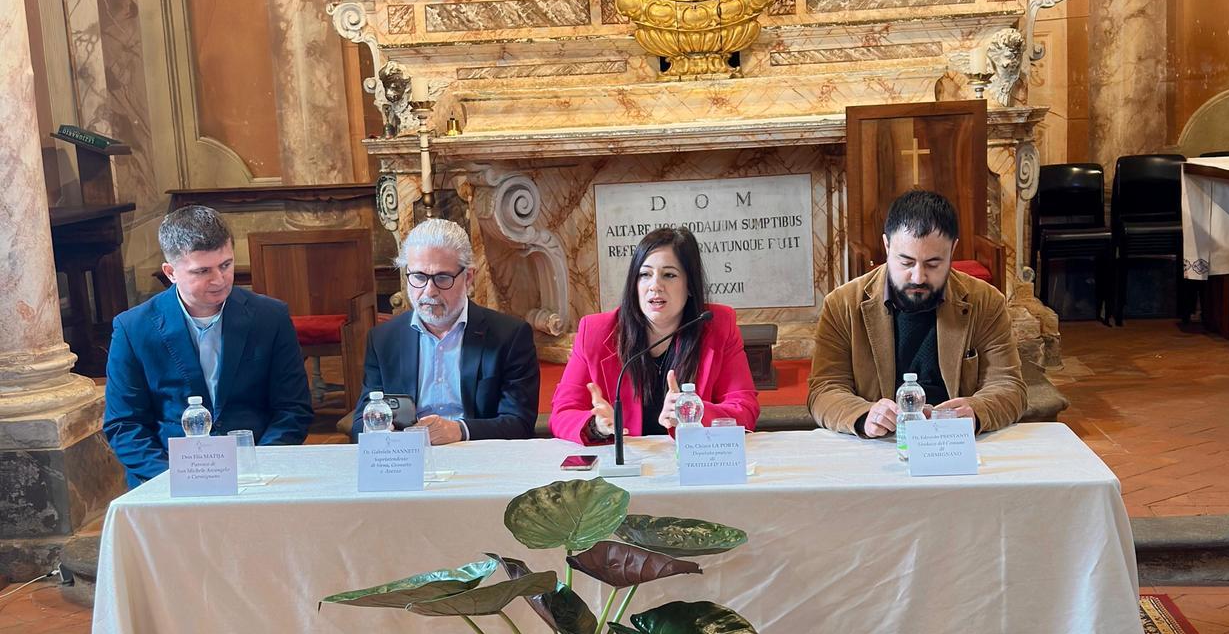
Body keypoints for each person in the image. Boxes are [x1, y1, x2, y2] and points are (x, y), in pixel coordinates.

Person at [103, 205, 312, 487]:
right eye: (202, 271)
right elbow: (124, 424)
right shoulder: (133, 328)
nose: (219, 279)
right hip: (166, 474)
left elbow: (293, 409)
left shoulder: (270, 317)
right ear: (171, 272)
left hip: (257, 472)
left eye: (225, 265)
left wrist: (258, 466)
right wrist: (172, 479)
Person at [809, 189, 1026, 437]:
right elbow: (824, 390)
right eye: (906, 262)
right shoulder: (843, 304)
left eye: (933, 264)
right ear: (887, 245)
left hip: (954, 442)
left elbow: (1009, 387)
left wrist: (976, 411)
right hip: (880, 444)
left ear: (953, 250)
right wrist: (864, 416)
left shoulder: (986, 302)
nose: (918, 277)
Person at [551, 225, 759, 443]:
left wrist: (692, 413)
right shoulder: (594, 332)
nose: (655, 286)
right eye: (645, 275)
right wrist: (596, 426)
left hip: (692, 463)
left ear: (690, 285)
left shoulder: (718, 326)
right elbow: (562, 413)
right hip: (628, 466)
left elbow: (745, 410)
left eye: (669, 275)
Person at [352, 218, 539, 441]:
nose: (429, 291)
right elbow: (360, 422)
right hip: (407, 458)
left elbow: (519, 423)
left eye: (442, 278)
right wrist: (377, 429)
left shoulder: (509, 336)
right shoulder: (384, 339)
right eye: (419, 277)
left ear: (468, 278)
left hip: (477, 454)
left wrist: (460, 430)